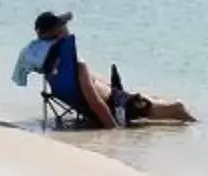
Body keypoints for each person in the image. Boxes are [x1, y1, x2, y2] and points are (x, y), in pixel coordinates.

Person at [11, 10, 193, 127]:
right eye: (63, 25)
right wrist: (114, 130)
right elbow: (96, 103)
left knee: (152, 98)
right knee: (178, 108)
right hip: (121, 106)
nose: (67, 27)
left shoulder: (50, 65)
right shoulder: (77, 65)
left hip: (118, 98)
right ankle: (201, 127)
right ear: (57, 32)